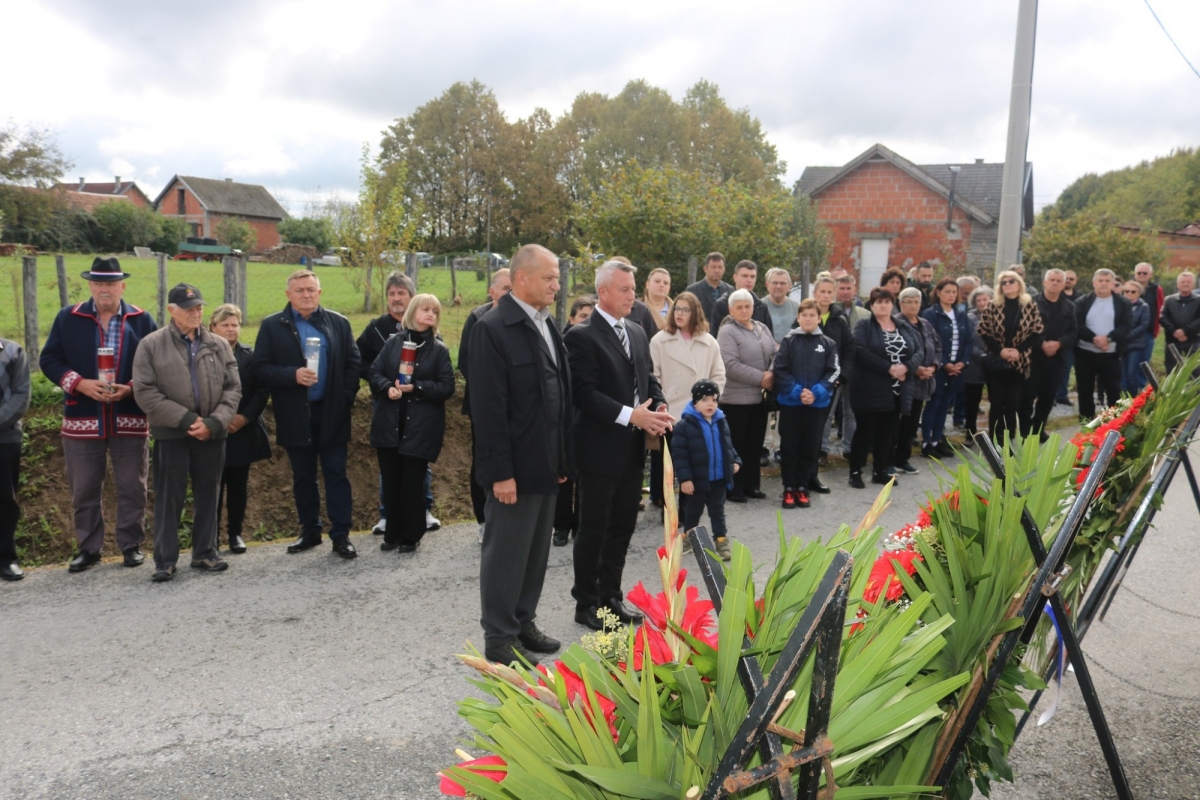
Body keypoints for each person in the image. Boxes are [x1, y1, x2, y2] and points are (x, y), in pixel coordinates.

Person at [470, 244, 573, 666]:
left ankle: (522, 620)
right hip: (513, 468)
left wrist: (563, 461)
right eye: (549, 277)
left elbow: (559, 396)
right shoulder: (493, 328)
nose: (556, 284)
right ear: (522, 279)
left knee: (534, 552)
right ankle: (499, 637)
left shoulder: (547, 324)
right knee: (506, 554)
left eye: (557, 277)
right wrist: (500, 473)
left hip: (546, 463)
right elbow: (488, 409)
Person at [566, 259, 672, 629]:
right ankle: (586, 603)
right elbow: (585, 394)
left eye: (633, 288)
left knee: (622, 525)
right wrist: (632, 415)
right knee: (593, 526)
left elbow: (647, 378)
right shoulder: (580, 336)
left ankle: (610, 596)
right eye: (625, 289)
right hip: (598, 450)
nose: (632, 295)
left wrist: (657, 406)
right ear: (604, 293)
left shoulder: (637, 330)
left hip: (631, 450)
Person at [40, 257, 158, 572]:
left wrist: (132, 388)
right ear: (90, 285)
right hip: (82, 419)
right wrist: (79, 384)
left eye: (110, 283)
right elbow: (49, 359)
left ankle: (131, 545)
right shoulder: (69, 317)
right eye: (98, 283)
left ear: (123, 285)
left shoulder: (142, 320)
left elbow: (156, 363)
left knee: (133, 485)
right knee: (84, 488)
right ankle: (89, 549)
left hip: (129, 415)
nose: (104, 289)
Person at [132, 284, 241, 582]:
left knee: (209, 494)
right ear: (171, 310)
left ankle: (205, 553)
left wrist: (214, 423)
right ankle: (165, 561)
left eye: (198, 307)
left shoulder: (218, 344)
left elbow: (233, 388)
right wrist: (188, 420)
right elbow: (145, 392)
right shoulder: (151, 345)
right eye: (188, 308)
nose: (196, 313)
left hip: (212, 434)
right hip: (172, 435)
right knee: (169, 498)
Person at [253, 269, 360, 559]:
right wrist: (292, 375)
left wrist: (345, 397)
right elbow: (260, 368)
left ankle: (341, 535)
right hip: (294, 414)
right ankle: (310, 531)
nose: (306, 295)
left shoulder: (339, 323)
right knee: (303, 476)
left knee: (337, 474)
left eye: (311, 290)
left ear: (320, 292)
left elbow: (353, 363)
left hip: (331, 411)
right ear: (288, 295)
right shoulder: (273, 326)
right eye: (299, 290)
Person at [368, 294, 455, 554]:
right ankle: (392, 533)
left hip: (420, 426)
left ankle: (412, 535)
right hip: (389, 423)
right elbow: (374, 372)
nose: (430, 314)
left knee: (413, 484)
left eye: (435, 311)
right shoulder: (393, 343)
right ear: (413, 312)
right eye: (425, 309)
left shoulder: (439, 349)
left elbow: (447, 386)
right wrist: (387, 388)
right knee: (392, 480)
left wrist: (416, 387)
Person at [357, 272, 442, 536]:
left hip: (419, 412)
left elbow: (444, 381)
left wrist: (417, 387)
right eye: (391, 294)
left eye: (401, 293)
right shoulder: (376, 329)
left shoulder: (435, 343)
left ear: (411, 298)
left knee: (417, 467)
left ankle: (422, 512)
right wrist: (385, 384)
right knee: (391, 467)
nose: (396, 298)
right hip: (388, 405)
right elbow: (362, 363)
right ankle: (389, 518)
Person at [649, 292, 726, 510]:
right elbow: (653, 376)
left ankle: (687, 509)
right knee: (667, 463)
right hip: (669, 411)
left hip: (697, 413)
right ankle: (663, 503)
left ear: (696, 313)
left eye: (686, 309)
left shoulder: (709, 342)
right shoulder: (660, 340)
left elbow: (718, 375)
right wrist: (659, 403)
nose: (680, 314)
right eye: (677, 309)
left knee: (692, 464)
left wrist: (709, 402)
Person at [209, 304, 272, 554]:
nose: (231, 329)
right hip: (212, 431)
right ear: (212, 327)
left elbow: (261, 391)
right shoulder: (202, 354)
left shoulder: (251, 355)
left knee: (238, 486)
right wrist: (217, 419)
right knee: (212, 487)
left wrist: (244, 418)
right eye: (225, 324)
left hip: (241, 431)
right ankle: (209, 537)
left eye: (234, 324)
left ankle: (235, 534)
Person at [458, 269, 512, 539]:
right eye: (504, 288)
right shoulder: (478, 319)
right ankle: (483, 520)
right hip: (483, 407)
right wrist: (492, 390)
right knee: (484, 461)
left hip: (516, 408)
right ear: (492, 291)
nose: (508, 294)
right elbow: (466, 361)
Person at [848, 288, 920, 488]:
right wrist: (889, 368)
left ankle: (880, 471)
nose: (883, 305)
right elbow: (860, 351)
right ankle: (855, 471)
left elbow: (918, 351)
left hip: (897, 389)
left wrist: (906, 367)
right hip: (869, 388)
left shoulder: (903, 326)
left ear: (892, 304)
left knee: (887, 433)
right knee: (865, 431)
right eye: (878, 302)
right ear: (871, 305)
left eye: (887, 302)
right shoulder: (864, 326)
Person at [774, 299, 839, 509]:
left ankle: (803, 487)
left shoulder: (828, 343)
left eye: (812, 315)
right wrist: (796, 392)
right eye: (804, 315)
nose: (808, 318)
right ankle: (789, 488)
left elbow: (834, 371)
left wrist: (817, 392)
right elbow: (780, 369)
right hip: (791, 404)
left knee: (810, 447)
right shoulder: (789, 341)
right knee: (790, 447)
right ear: (798, 317)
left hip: (816, 405)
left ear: (819, 318)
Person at [717, 289, 776, 509]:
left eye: (747, 306)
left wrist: (771, 373)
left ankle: (752, 485)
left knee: (754, 445)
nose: (744, 310)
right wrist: (762, 378)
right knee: (736, 447)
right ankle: (734, 488)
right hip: (735, 401)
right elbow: (729, 365)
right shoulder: (727, 332)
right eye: (739, 307)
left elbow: (776, 352)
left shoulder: (762, 328)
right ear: (730, 310)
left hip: (759, 399)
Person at [671, 380, 740, 559]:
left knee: (718, 511)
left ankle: (721, 542)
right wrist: (685, 479)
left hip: (718, 478)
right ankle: (688, 538)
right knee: (693, 511)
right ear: (695, 402)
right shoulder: (684, 426)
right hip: (697, 479)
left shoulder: (721, 421)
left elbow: (728, 445)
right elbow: (679, 456)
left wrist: (735, 460)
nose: (710, 404)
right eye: (705, 400)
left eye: (714, 400)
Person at [978, 270, 1044, 440]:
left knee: (1012, 405)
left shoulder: (1029, 305)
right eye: (1004, 282)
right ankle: (994, 441)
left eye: (1011, 281)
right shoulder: (993, 305)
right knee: (997, 404)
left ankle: (1009, 442)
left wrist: (1018, 350)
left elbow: (1037, 332)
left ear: (1019, 284)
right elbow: (983, 331)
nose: (1007, 285)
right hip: (997, 361)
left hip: (1019, 362)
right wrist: (1001, 351)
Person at [553, 297, 596, 547]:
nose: (586, 321)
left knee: (584, 477)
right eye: (582, 316)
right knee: (564, 474)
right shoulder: (561, 344)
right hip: (563, 419)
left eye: (591, 317)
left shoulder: (597, 342)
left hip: (588, 418)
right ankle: (561, 526)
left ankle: (580, 524)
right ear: (571, 319)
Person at [1020, 269, 1077, 439]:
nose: (1055, 283)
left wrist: (1059, 343)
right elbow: (1024, 328)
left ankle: (1038, 429)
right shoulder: (1031, 302)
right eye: (1052, 280)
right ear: (1044, 282)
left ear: (1063, 284)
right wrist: (1042, 343)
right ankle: (1023, 431)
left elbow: (1073, 332)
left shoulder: (1069, 306)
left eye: (1059, 281)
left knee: (1048, 396)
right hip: (1033, 356)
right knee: (1027, 396)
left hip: (1057, 357)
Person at [920, 278, 970, 458]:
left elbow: (967, 341)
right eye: (947, 291)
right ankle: (926, 442)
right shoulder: (931, 314)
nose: (951, 295)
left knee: (945, 405)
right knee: (934, 403)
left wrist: (962, 362)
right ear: (938, 292)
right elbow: (931, 341)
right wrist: (945, 363)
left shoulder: (961, 314)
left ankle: (937, 439)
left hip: (957, 369)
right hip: (939, 368)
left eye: (954, 292)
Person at [1074, 268, 1130, 419]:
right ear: (1094, 283)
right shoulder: (1082, 302)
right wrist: (1095, 339)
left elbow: (1126, 325)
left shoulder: (1123, 303)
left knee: (1114, 391)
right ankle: (1086, 421)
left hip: (1111, 354)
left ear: (1113, 284)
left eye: (1107, 281)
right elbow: (1077, 325)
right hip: (1085, 353)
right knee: (1085, 390)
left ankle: (1114, 424)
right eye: (1100, 281)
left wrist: (1109, 339)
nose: (1103, 284)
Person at [811, 277, 853, 478]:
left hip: (833, 377)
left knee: (827, 414)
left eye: (829, 292)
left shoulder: (840, 319)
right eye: (822, 292)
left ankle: (823, 450)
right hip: (810, 378)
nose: (826, 296)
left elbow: (848, 350)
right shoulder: (807, 314)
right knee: (813, 415)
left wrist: (841, 375)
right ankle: (812, 448)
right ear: (815, 294)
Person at [0, 336, 30, 581]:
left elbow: (20, 396)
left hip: (5, 438)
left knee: (5, 501)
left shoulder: (12, 351)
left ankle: (6, 559)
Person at [898, 288, 939, 467]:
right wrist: (915, 369)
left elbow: (937, 347)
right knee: (901, 422)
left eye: (916, 302)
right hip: (905, 381)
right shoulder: (897, 323)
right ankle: (894, 458)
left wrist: (933, 367)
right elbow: (898, 351)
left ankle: (904, 458)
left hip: (924, 382)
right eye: (909, 301)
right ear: (901, 304)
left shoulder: (925, 324)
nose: (913, 305)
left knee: (913, 422)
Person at [962, 286, 993, 443]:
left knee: (996, 400)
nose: (981, 303)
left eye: (985, 299)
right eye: (978, 300)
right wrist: (981, 356)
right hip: (974, 364)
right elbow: (968, 341)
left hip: (995, 363)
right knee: (972, 401)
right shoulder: (969, 317)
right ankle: (970, 433)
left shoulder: (999, 315)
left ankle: (996, 434)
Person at [710, 260, 772, 332]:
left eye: (752, 277)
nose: (749, 280)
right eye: (745, 276)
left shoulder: (761, 306)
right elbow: (715, 337)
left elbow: (768, 336)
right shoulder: (722, 304)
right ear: (735, 277)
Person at [1160, 271, 1200, 373]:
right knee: (1172, 370)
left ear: (1193, 284)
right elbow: (1162, 317)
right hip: (1172, 340)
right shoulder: (1169, 300)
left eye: (1188, 282)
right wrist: (1174, 331)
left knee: (1196, 369)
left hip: (1193, 339)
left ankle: (1195, 389)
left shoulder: (1198, 300)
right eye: (1183, 282)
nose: (1185, 284)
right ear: (1178, 284)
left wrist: (1185, 331)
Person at [1132, 262, 1165, 388]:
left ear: (1150, 275)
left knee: (1143, 363)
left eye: (1144, 273)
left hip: (1147, 333)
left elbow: (1160, 308)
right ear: (1134, 274)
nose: (1141, 275)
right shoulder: (1128, 287)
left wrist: (1157, 328)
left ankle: (1140, 391)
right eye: (1139, 273)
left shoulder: (1156, 290)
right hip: (1129, 333)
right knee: (1127, 365)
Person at [1120, 281, 1151, 394]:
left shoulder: (1143, 307)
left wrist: (1126, 336)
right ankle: (1121, 398)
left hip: (1135, 344)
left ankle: (1132, 398)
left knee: (1131, 373)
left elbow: (1144, 325)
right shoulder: (1119, 305)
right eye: (1126, 291)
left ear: (1139, 293)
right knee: (1120, 373)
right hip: (1120, 344)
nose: (1129, 294)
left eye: (1133, 291)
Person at [684, 252, 733, 322]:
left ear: (724, 269)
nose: (717, 270)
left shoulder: (730, 290)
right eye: (713, 267)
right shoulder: (692, 290)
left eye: (720, 267)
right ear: (705, 269)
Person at [1056, 270, 1079, 405]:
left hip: (1074, 339)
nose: (1069, 281)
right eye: (1067, 278)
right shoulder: (1057, 296)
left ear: (1075, 281)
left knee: (1067, 368)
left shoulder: (1080, 297)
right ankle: (1052, 395)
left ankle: (1062, 395)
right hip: (1057, 338)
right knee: (1055, 369)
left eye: (1071, 278)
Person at [762, 268, 800, 344]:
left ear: (790, 286)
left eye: (782, 283)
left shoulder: (798, 307)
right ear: (767, 285)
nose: (778, 286)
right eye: (775, 283)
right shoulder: (760, 307)